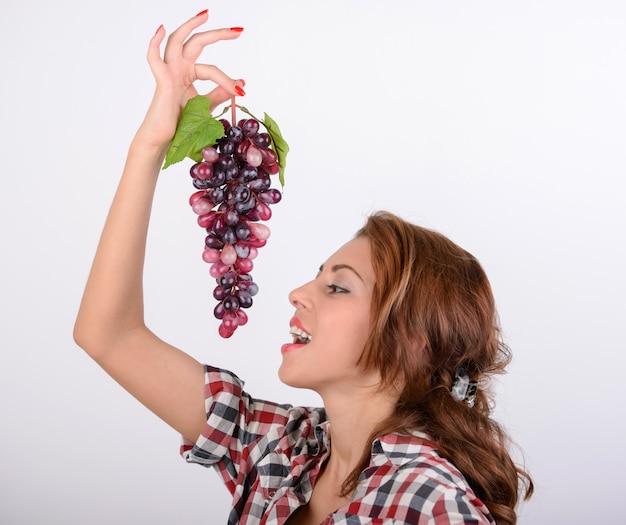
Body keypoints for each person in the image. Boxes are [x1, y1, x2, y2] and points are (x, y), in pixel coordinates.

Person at [73, 11, 533, 525]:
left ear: (413, 338)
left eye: (338, 287)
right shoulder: (286, 452)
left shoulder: (431, 504)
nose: (298, 293)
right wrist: (151, 144)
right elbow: (108, 335)